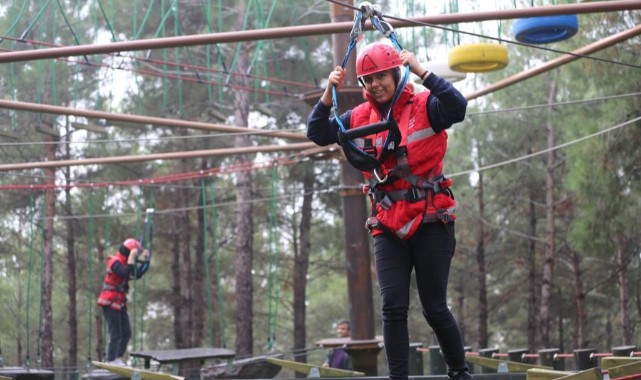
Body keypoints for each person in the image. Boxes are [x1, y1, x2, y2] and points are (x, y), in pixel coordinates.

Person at [307, 41, 470, 380]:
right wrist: (328, 93)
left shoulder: (425, 106)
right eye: (368, 79)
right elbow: (318, 132)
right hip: (388, 223)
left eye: (381, 76)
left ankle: (458, 371)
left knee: (434, 307)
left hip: (430, 219)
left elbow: (458, 107)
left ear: (396, 73)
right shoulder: (358, 117)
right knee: (392, 307)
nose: (375, 85)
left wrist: (423, 72)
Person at [97, 238, 150, 366]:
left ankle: (118, 357)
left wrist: (144, 260)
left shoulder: (126, 263)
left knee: (126, 332)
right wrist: (132, 257)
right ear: (128, 253)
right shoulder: (115, 262)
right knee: (115, 332)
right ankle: (111, 359)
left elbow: (136, 274)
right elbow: (126, 273)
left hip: (119, 303)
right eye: (133, 254)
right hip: (109, 301)